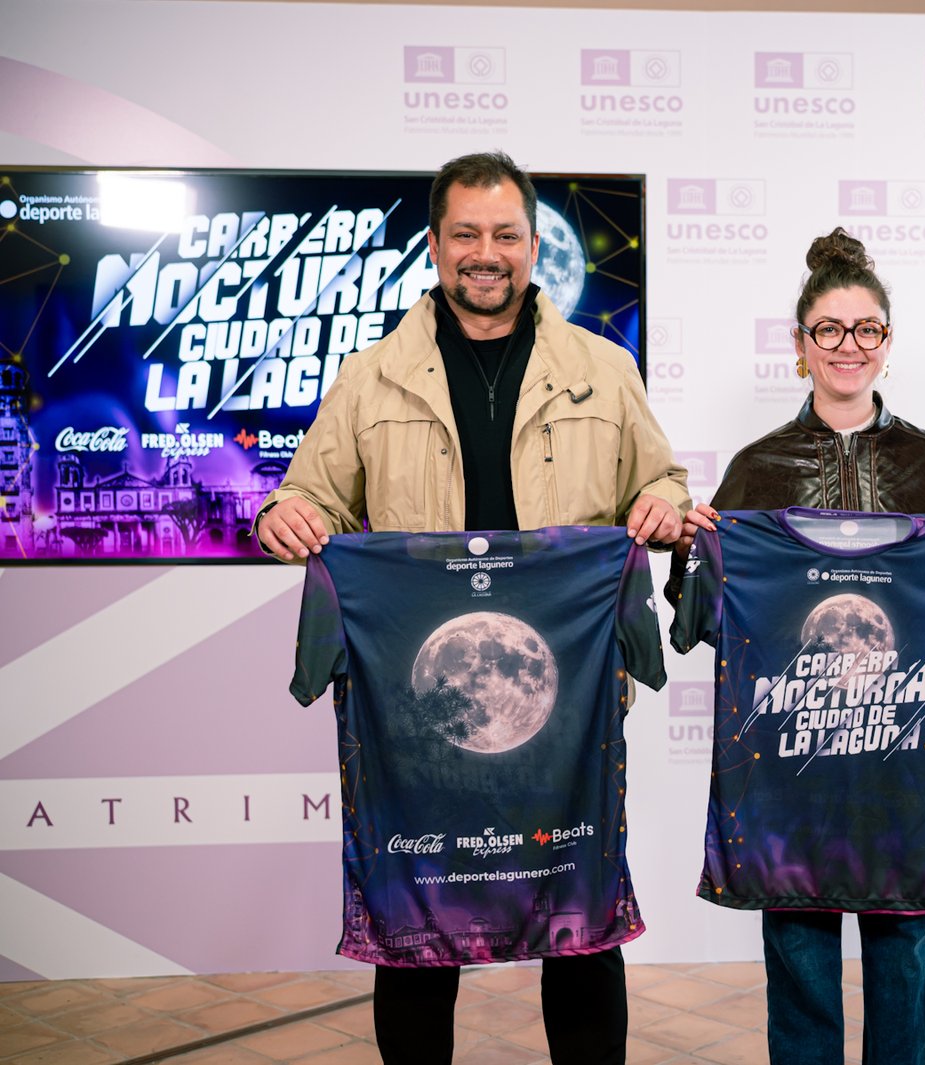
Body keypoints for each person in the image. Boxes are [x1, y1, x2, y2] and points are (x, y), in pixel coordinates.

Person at [254, 150, 689, 1065]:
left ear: (533, 245)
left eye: (503, 234)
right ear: (438, 244)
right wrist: (283, 512)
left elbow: (663, 480)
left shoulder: (604, 370)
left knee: (577, 920)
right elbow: (309, 498)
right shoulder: (374, 376)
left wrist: (665, 505)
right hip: (418, 707)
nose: (484, 253)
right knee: (418, 929)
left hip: (568, 704)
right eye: (465, 235)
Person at [672, 228, 925, 1065]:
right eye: (828, 329)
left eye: (866, 329)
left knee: (903, 956)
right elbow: (708, 619)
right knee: (799, 954)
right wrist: (699, 549)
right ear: (800, 345)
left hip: (904, 760)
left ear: (888, 344)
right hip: (790, 766)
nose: (847, 346)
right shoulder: (757, 468)